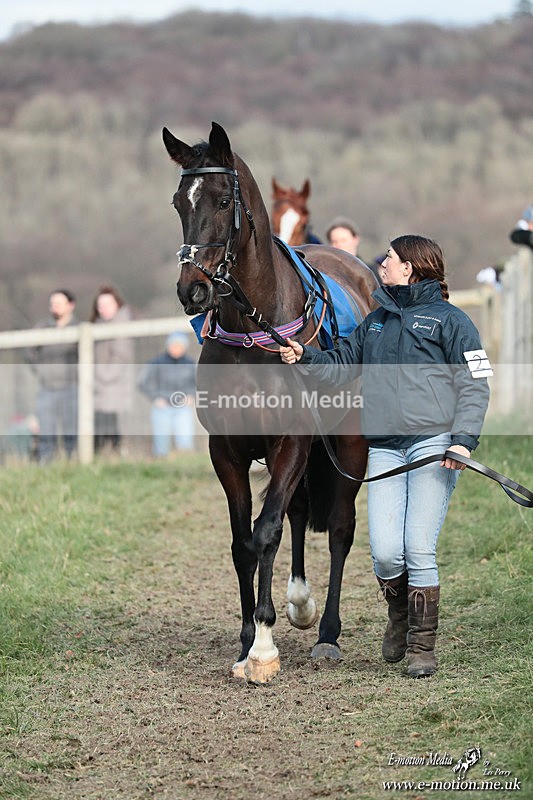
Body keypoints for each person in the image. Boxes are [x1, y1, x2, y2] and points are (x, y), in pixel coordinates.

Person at [280, 234, 491, 678]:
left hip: (434, 446)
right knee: (386, 556)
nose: (383, 263)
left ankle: (420, 646)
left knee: (417, 547)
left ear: (410, 268)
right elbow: (341, 365)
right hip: (386, 448)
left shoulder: (453, 322)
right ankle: (398, 615)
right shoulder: (375, 322)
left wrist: (463, 439)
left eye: (391, 258)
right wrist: (305, 356)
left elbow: (476, 382)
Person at [25, 289, 78, 463]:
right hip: (47, 389)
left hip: (72, 387)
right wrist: (41, 370)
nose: (54, 307)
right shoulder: (42, 328)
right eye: (52, 304)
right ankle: (46, 466)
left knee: (72, 431)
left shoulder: (79, 329)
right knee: (47, 432)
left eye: (59, 304)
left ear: (70, 306)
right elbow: (29, 352)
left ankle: (73, 464)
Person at [90, 285, 134, 454]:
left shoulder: (121, 325)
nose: (103, 309)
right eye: (100, 305)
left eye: (107, 304)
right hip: (102, 389)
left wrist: (99, 375)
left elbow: (121, 356)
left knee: (113, 431)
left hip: (113, 387)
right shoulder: (99, 325)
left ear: (117, 304)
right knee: (103, 431)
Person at [137, 332, 196, 456]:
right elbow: (142, 383)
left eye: (179, 345)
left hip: (183, 408)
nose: (176, 348)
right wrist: (155, 398)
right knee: (161, 445)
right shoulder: (156, 362)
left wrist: (191, 396)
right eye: (173, 345)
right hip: (161, 408)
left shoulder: (191, 364)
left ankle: (184, 463)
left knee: (185, 443)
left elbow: (199, 383)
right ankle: (161, 464)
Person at [326, 216, 381, 282]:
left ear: (356, 239)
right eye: (334, 242)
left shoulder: (370, 272)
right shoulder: (327, 274)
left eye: (343, 240)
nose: (339, 245)